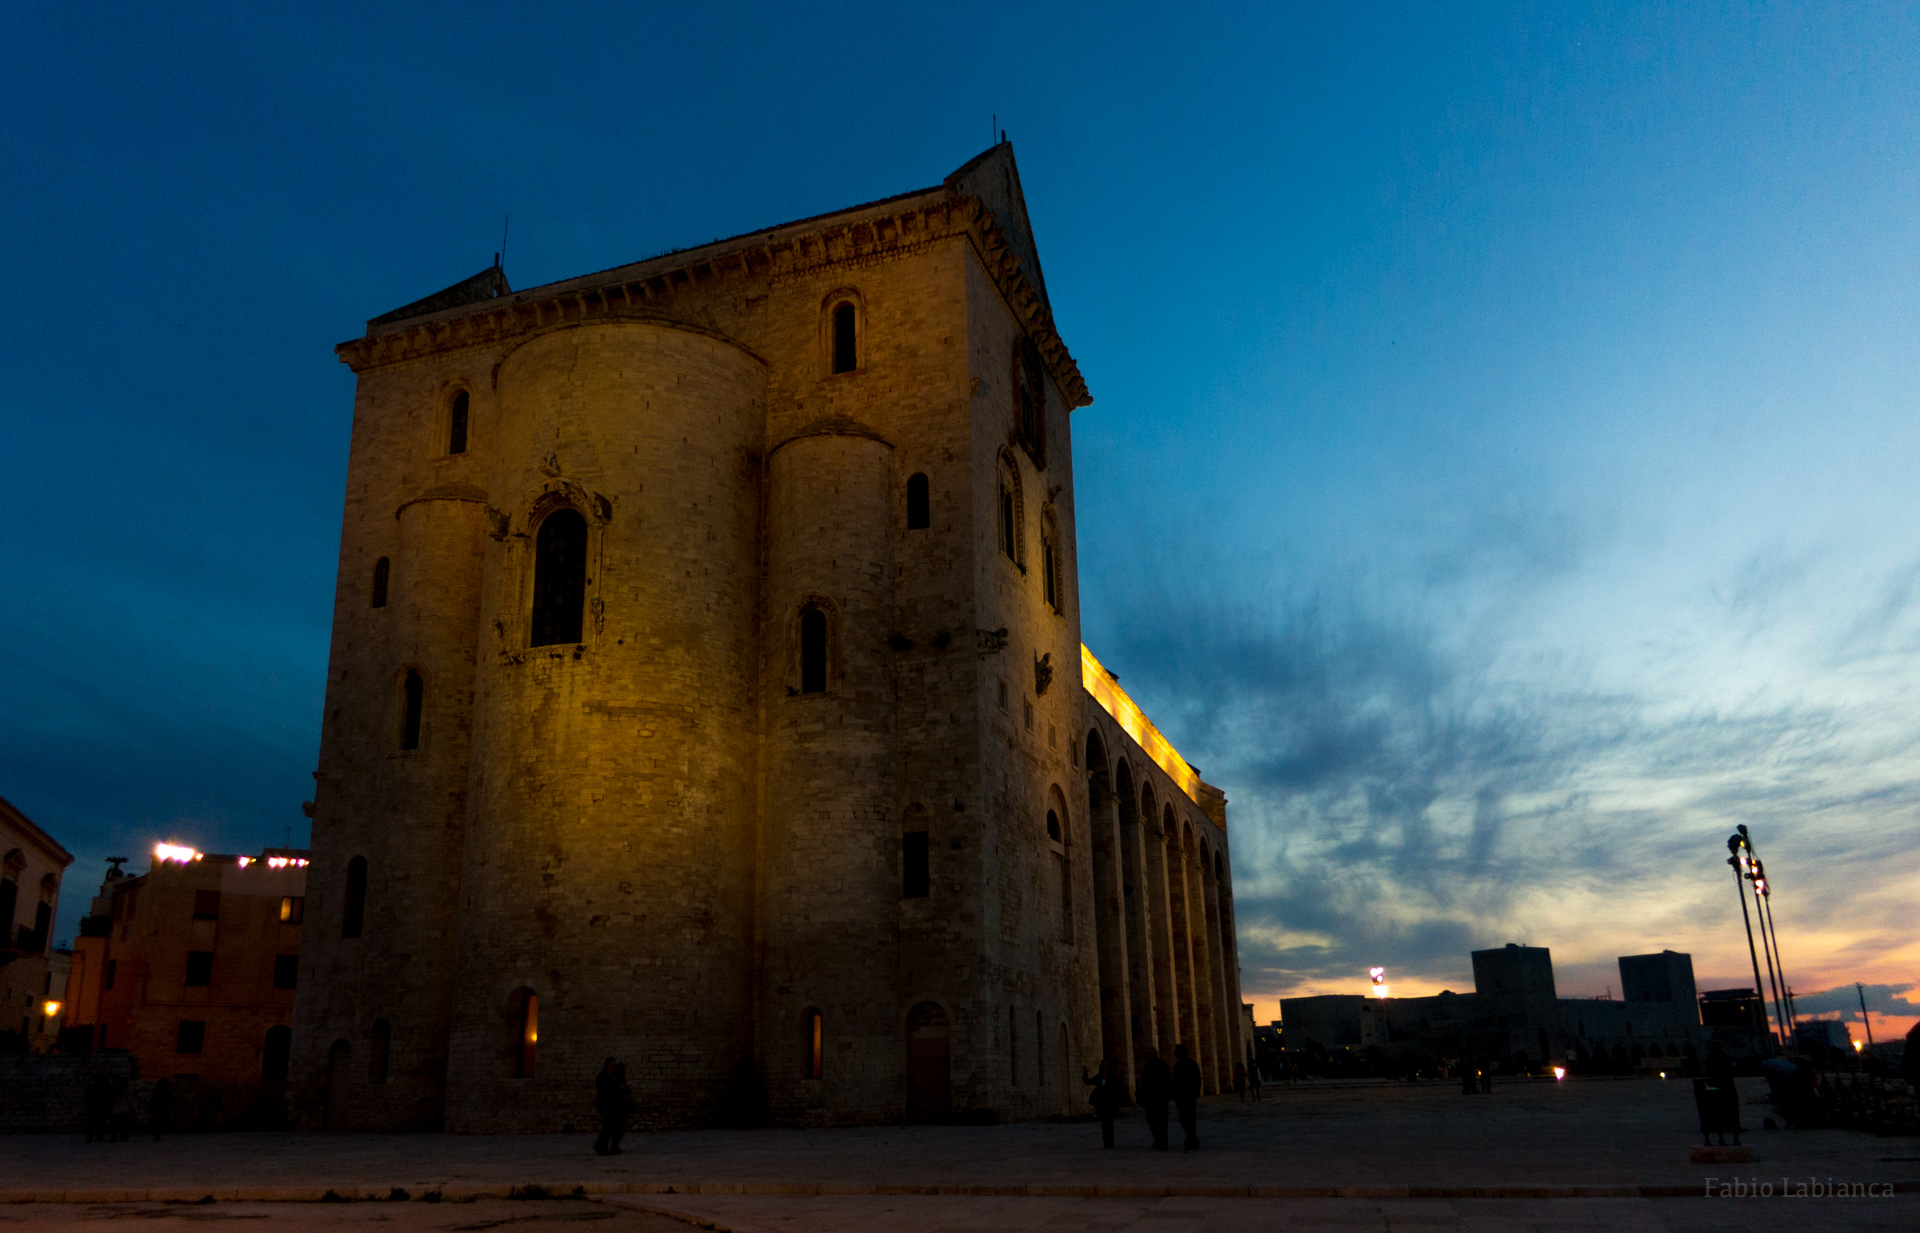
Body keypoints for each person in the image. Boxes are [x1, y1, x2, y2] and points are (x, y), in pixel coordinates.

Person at [1083, 1058, 1127, 1149]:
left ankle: (1110, 1143)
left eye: (1107, 1065)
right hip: (1101, 1104)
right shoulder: (1099, 1077)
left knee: (1109, 1124)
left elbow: (1119, 1089)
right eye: (1104, 1065)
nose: (1105, 1067)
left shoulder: (1113, 1077)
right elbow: (1088, 1082)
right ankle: (1106, 1142)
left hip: (1110, 1104)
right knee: (1104, 1124)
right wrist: (1085, 1073)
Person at [1137, 1046, 1172, 1151]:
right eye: (1147, 1054)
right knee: (1152, 1120)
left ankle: (1162, 1142)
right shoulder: (1148, 1066)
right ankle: (1159, 1139)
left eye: (1150, 1054)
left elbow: (1168, 1081)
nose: (1148, 1056)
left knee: (1160, 1121)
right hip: (1151, 1099)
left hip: (1159, 1099)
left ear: (1155, 1054)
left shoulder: (1161, 1065)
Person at [1172, 1043, 1203, 1152]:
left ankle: (1192, 1141)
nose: (1174, 1053)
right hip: (1182, 1098)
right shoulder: (1180, 1065)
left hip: (1187, 1097)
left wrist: (1194, 1094)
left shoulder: (1188, 1064)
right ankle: (1192, 1140)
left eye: (1176, 1051)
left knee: (1188, 1119)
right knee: (1185, 1120)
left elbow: (1197, 1080)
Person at [592, 1057, 621, 1155]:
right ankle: (601, 1147)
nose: (615, 1066)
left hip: (611, 1105)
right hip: (605, 1105)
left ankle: (603, 1146)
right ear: (608, 1065)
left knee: (610, 1127)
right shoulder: (602, 1076)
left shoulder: (611, 1076)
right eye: (613, 1064)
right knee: (608, 1127)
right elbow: (604, 1090)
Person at [83, 1073, 113, 1143]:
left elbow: (86, 1097)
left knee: (91, 1124)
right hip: (102, 1107)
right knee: (101, 1123)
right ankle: (99, 1137)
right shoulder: (106, 1086)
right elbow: (110, 1096)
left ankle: (90, 1137)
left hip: (93, 1107)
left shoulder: (91, 1087)